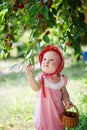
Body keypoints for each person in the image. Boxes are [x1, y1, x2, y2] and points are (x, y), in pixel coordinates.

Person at [26, 44, 73, 130]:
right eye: (44, 59)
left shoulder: (61, 80)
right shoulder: (41, 78)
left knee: (58, 127)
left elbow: (64, 93)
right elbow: (35, 88)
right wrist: (30, 77)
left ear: (59, 66)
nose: (46, 62)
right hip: (43, 114)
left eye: (51, 60)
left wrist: (67, 101)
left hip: (58, 113)